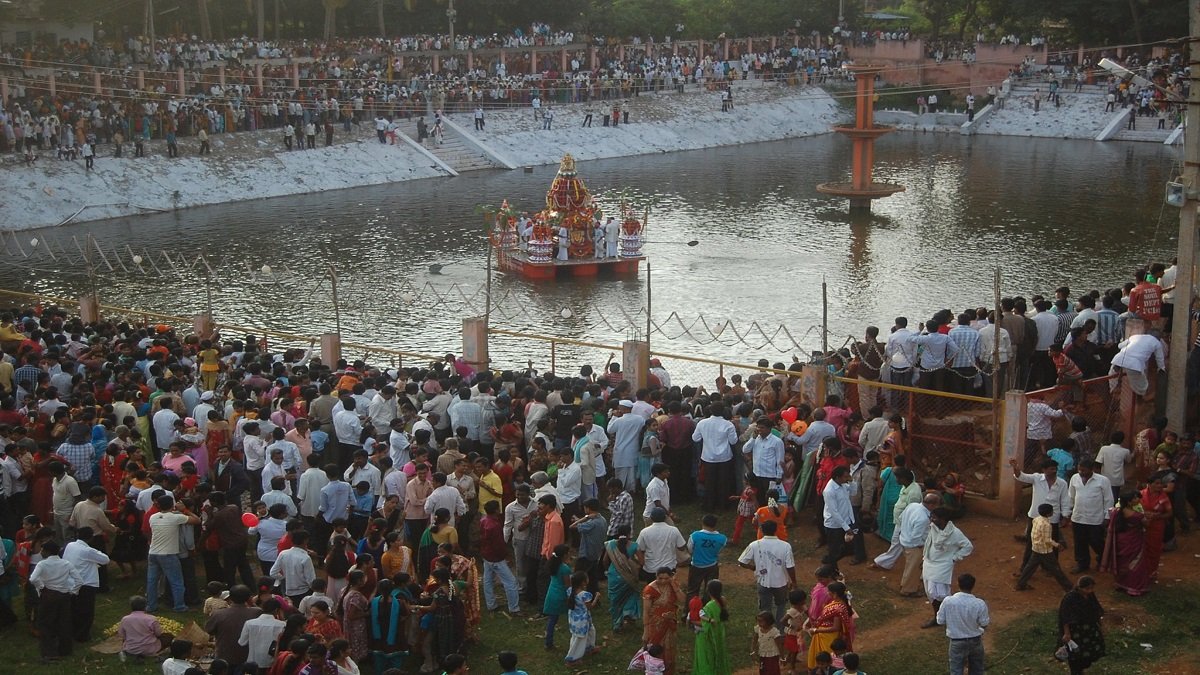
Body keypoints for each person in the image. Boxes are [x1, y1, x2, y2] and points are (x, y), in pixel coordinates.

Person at [920, 507, 973, 629]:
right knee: (930, 593)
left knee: (941, 594)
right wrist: (924, 558)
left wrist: (955, 557)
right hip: (928, 564)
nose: (931, 519)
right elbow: (929, 544)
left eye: (934, 517)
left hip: (942, 567)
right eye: (931, 517)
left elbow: (968, 547)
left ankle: (950, 617)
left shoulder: (955, 533)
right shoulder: (932, 528)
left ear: (943, 519)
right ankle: (937, 617)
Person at [28, 540, 80, 661]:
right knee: (64, 622)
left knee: (46, 623)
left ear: (47, 551)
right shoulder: (66, 564)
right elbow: (79, 580)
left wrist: (41, 587)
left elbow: (33, 578)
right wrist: (73, 591)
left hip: (48, 595)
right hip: (64, 595)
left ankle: (49, 652)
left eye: (42, 550)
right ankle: (65, 650)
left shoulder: (42, 564)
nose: (41, 552)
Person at [736, 519, 795, 624]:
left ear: (761, 530)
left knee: (765, 608)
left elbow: (741, 561)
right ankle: (780, 629)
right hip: (781, 583)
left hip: (763, 582)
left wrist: (753, 568)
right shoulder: (785, 545)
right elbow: (790, 566)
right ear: (775, 530)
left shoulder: (754, 545)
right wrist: (794, 582)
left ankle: (766, 629)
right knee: (781, 606)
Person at [62, 525, 109, 641]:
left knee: (73, 608)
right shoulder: (87, 551)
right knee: (85, 611)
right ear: (91, 538)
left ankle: (71, 631)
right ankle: (82, 635)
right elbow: (105, 559)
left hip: (70, 581)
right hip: (86, 583)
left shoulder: (70, 545)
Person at [936, 573, 989, 675]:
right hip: (975, 641)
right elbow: (984, 623)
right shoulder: (979, 603)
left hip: (956, 642)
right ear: (973, 586)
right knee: (977, 670)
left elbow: (940, 621)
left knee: (956, 670)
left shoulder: (948, 601)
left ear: (958, 584)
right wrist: (980, 630)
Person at [1065, 460, 1113, 573]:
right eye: (1079, 469)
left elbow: (1108, 499)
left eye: (1083, 470)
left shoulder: (1103, 481)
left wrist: (1107, 516)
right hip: (1078, 517)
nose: (1081, 472)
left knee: (1096, 541)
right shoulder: (1074, 478)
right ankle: (1082, 564)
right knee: (1079, 542)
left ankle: (1103, 559)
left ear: (1092, 469)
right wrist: (1067, 512)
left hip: (1095, 518)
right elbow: (1071, 496)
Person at [1016, 503, 1074, 592]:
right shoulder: (1047, 525)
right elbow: (1047, 540)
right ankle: (1068, 587)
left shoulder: (1036, 519)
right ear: (1048, 514)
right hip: (1045, 550)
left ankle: (1021, 584)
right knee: (1056, 569)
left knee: (1030, 567)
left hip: (1036, 548)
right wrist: (1057, 545)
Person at [1058, 576, 1106, 674]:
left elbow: (1096, 610)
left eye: (1091, 588)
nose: (1089, 591)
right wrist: (1066, 633)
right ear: (1079, 587)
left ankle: (1081, 668)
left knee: (1090, 653)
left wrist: (1101, 626)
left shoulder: (1090, 595)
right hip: (1076, 632)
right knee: (1075, 655)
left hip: (1089, 631)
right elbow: (1065, 617)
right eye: (1087, 588)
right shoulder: (1070, 598)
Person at [641, 566, 684, 675]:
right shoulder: (649, 590)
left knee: (670, 650)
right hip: (655, 625)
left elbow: (683, 600)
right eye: (660, 578)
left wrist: (675, 587)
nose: (663, 581)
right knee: (656, 650)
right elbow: (646, 611)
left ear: (671, 577)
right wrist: (646, 631)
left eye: (666, 578)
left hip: (670, 622)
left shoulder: (673, 585)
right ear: (656, 577)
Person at [822, 465, 865, 570]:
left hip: (846, 520)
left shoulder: (843, 485)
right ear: (837, 477)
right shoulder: (829, 491)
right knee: (834, 550)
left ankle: (832, 563)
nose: (847, 478)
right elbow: (834, 512)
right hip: (834, 525)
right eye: (845, 477)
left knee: (844, 547)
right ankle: (832, 570)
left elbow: (854, 492)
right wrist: (847, 528)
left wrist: (851, 480)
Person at [805, 580, 855, 670]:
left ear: (834, 593)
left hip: (828, 637)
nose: (827, 593)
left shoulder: (837, 608)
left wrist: (817, 630)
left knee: (827, 658)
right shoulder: (838, 603)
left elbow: (835, 627)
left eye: (829, 591)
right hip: (825, 635)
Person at [603, 524, 641, 631]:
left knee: (615, 601)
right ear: (629, 533)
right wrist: (631, 564)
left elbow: (604, 561)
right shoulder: (634, 546)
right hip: (629, 577)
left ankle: (616, 624)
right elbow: (642, 562)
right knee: (632, 594)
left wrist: (608, 571)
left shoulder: (610, 545)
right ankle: (628, 613)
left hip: (613, 576)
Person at [692, 578, 731, 675]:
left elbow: (705, 624)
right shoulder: (723, 600)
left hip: (708, 636)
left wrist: (692, 621)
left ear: (708, 590)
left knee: (706, 657)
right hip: (719, 632)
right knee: (719, 653)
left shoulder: (709, 606)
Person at [563, 571, 599, 665]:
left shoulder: (570, 591)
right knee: (580, 638)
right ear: (583, 582)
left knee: (591, 631)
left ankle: (590, 647)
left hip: (574, 619)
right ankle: (572, 658)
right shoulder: (584, 595)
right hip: (582, 621)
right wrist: (596, 597)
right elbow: (590, 606)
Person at [117, 595, 166, 661]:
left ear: (131, 606)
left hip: (131, 649)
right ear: (145, 606)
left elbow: (121, 634)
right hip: (150, 648)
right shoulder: (151, 619)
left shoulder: (125, 619)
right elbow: (158, 634)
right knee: (168, 637)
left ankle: (137, 655)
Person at [752, 610, 785, 675]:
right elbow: (754, 639)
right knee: (763, 669)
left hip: (772, 656)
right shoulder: (758, 629)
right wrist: (752, 650)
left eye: (761, 621)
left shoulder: (774, 632)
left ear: (769, 621)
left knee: (772, 670)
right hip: (762, 654)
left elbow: (779, 645)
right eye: (758, 621)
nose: (759, 623)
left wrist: (782, 657)